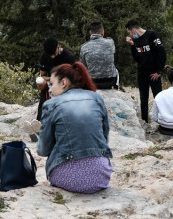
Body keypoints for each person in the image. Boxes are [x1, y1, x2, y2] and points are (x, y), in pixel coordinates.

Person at [36, 62, 112, 194]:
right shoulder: (97, 98)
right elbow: (104, 139)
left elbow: (43, 150)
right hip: (101, 176)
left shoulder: (51, 104)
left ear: (63, 83)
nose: (49, 89)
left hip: (67, 177)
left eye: (51, 84)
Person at [125, 19, 166, 123]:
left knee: (158, 97)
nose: (130, 35)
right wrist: (132, 45)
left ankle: (162, 120)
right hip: (142, 72)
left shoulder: (152, 35)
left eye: (130, 32)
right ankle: (145, 121)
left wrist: (159, 71)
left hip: (154, 72)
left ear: (133, 30)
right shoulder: (136, 39)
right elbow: (137, 58)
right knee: (143, 99)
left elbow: (161, 52)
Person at [36, 36, 76, 121]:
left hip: (65, 85)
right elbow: (42, 75)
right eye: (50, 55)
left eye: (54, 53)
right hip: (51, 83)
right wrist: (46, 81)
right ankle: (40, 121)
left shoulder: (68, 57)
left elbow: (72, 77)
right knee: (43, 99)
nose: (52, 57)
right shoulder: (45, 56)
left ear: (58, 46)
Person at [79, 22, 118, 90]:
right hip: (110, 80)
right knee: (116, 70)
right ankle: (115, 88)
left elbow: (83, 66)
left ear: (90, 32)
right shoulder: (110, 42)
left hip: (93, 81)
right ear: (102, 32)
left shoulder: (84, 47)